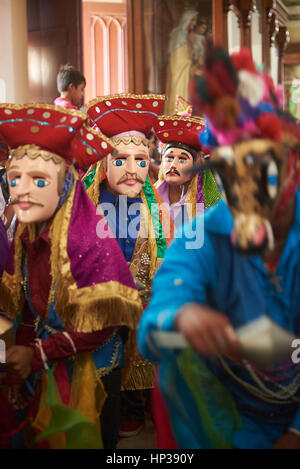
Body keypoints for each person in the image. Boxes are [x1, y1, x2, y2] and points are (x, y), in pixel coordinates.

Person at [138, 46, 300, 449]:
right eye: (231, 170)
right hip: (226, 420)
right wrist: (182, 315)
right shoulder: (205, 235)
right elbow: (152, 326)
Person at [0, 103, 142, 449]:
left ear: (65, 185)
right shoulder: (24, 233)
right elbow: (20, 306)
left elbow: (104, 324)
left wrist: (39, 354)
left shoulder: (89, 238)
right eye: (15, 179)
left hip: (89, 375)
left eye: (38, 180)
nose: (22, 191)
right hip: (42, 368)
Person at [83, 93, 173, 438]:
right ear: (103, 166)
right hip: (97, 309)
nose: (133, 169)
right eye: (120, 160)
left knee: (132, 362)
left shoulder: (156, 209)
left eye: (141, 159)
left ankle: (129, 412)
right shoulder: (86, 205)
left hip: (139, 304)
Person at [154, 113, 220, 230]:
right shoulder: (149, 196)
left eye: (182, 159)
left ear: (197, 164)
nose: (173, 165)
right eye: (169, 158)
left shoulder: (208, 203)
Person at [165, 10, 198, 115]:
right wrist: (192, 67)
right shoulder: (179, 34)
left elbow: (189, 55)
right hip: (180, 74)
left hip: (184, 72)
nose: (194, 23)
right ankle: (179, 115)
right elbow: (179, 59)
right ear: (186, 20)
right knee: (179, 91)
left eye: (195, 20)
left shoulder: (186, 35)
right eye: (193, 20)